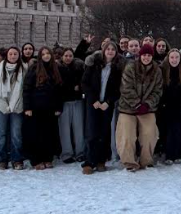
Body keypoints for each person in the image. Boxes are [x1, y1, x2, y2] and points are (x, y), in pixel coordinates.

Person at [117, 43, 163, 171]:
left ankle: (146, 160)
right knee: (127, 135)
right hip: (128, 107)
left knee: (150, 134)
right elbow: (126, 88)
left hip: (147, 108)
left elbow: (158, 90)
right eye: (144, 55)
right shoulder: (130, 67)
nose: (146, 58)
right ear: (140, 56)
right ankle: (129, 162)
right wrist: (136, 103)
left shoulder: (157, 70)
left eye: (149, 55)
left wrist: (147, 104)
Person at [80, 41, 123, 174]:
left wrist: (108, 102)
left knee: (104, 133)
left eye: (113, 49)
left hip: (106, 104)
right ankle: (89, 162)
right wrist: (93, 100)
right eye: (108, 49)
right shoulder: (94, 65)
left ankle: (101, 160)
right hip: (93, 103)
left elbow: (117, 90)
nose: (110, 51)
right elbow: (85, 83)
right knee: (91, 132)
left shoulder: (117, 68)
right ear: (103, 51)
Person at [23, 47, 63, 170]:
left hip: (50, 108)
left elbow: (59, 90)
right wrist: (27, 107)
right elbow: (27, 89)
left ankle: (47, 158)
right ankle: (36, 160)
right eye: (43, 54)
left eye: (48, 54)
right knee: (36, 135)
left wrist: (58, 107)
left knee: (49, 134)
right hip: (36, 108)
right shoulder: (34, 69)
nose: (46, 56)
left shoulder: (55, 69)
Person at [0, 46, 26, 170]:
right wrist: (3, 106)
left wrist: (14, 105)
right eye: (10, 54)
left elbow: (24, 90)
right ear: (7, 56)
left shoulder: (24, 69)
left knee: (16, 134)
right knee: (0, 134)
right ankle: (2, 160)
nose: (13, 56)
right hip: (1, 106)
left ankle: (17, 159)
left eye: (15, 54)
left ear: (19, 55)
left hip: (17, 106)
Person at [57, 47, 86, 163]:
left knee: (79, 128)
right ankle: (67, 153)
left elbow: (82, 83)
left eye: (70, 56)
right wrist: (71, 88)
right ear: (62, 57)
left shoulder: (79, 67)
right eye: (66, 56)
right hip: (63, 102)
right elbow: (59, 86)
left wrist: (78, 88)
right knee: (64, 129)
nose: (68, 58)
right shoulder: (58, 68)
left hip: (77, 100)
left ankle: (80, 152)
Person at [159, 48, 181, 164]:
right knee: (168, 130)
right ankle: (169, 154)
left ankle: (178, 153)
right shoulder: (163, 70)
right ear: (168, 58)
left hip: (180, 104)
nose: (174, 60)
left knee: (178, 129)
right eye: (172, 57)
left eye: (176, 57)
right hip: (166, 104)